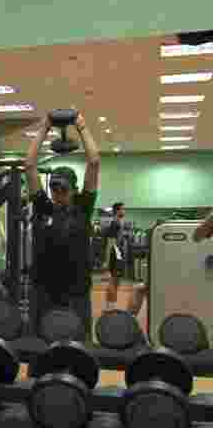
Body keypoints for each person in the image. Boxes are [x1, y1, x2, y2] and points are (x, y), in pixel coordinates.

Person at [26, 112, 100, 343]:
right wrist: (45, 127)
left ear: (74, 189)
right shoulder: (43, 207)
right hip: (43, 292)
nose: (58, 193)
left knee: (77, 349)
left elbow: (94, 162)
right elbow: (29, 165)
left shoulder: (82, 208)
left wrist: (82, 126)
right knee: (39, 348)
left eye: (63, 189)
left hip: (76, 293)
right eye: (55, 188)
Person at [103, 202, 126, 310]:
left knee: (117, 281)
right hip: (114, 254)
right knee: (113, 281)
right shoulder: (115, 224)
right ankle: (110, 307)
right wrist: (107, 261)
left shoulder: (119, 223)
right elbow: (110, 243)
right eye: (123, 209)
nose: (124, 211)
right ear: (117, 211)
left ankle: (110, 306)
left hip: (118, 254)